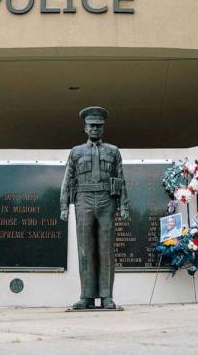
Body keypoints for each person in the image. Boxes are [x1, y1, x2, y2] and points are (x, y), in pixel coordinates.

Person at [60, 106, 130, 310]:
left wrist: (124, 206)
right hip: (83, 200)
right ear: (85, 128)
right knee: (85, 249)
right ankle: (87, 296)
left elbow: (122, 180)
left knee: (106, 249)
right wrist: (64, 206)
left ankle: (107, 296)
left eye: (99, 126)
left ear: (103, 128)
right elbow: (67, 180)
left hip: (107, 200)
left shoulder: (113, 151)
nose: (95, 129)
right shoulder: (76, 152)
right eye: (91, 126)